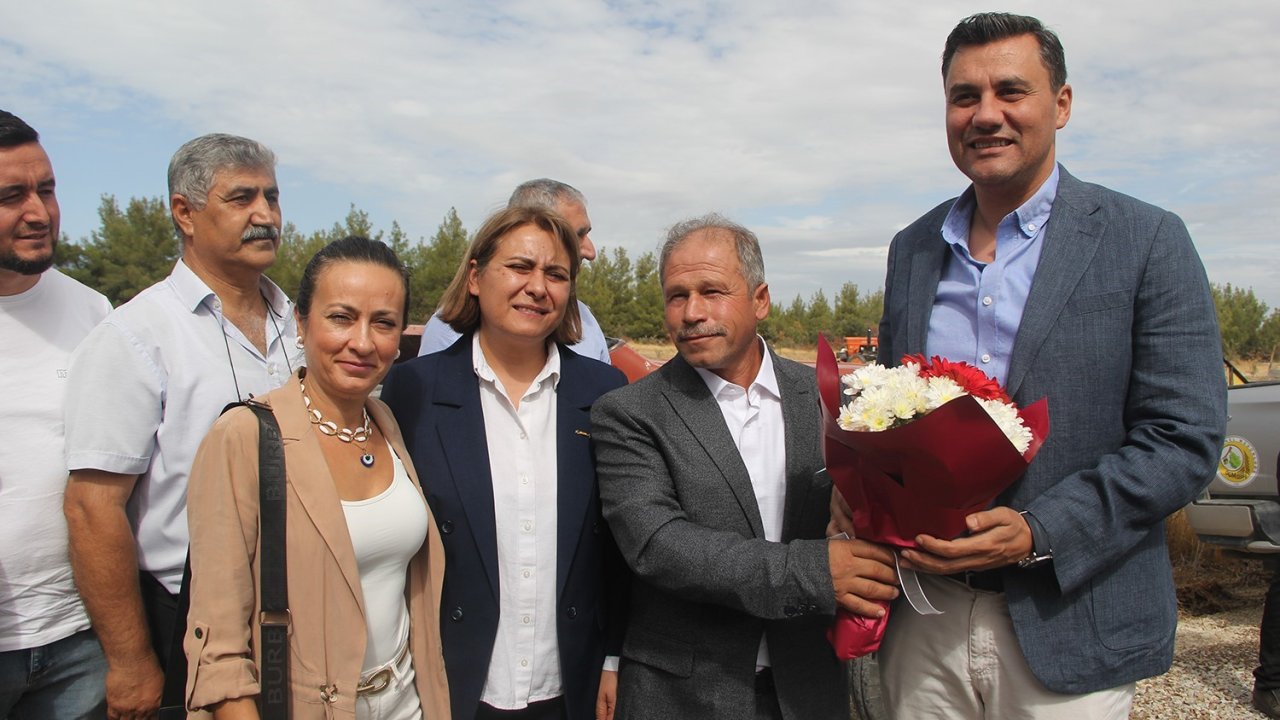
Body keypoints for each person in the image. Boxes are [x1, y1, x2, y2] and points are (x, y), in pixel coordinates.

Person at [833, 12, 1227, 719]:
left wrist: (1041, 532)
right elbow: (887, 416)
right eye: (963, 96)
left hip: (1068, 615)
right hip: (926, 620)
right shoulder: (913, 249)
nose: (985, 114)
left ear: (1062, 104)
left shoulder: (1146, 240)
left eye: (1010, 90)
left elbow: (1184, 437)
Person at [590, 214, 900, 720]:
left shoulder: (834, 401)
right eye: (676, 296)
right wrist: (818, 571)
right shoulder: (629, 413)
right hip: (684, 695)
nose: (691, 312)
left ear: (760, 300)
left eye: (712, 291)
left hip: (809, 688)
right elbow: (659, 545)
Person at [63, 133, 299, 719]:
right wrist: (132, 660)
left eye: (271, 196)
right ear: (184, 213)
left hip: (297, 610)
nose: (265, 214)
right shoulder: (136, 337)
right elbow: (93, 509)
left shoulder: (299, 323)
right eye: (241, 198)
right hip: (185, 619)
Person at [184, 236, 450, 719]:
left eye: (384, 323)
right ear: (302, 324)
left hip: (407, 702)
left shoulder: (388, 425)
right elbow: (219, 648)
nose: (363, 342)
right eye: (342, 317)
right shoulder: (244, 437)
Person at [382, 206, 627, 720]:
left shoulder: (603, 394)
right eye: (519, 267)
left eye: (556, 274)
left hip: (569, 684)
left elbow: (615, 545)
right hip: (453, 682)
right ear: (475, 276)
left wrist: (612, 656)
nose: (537, 287)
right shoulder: (415, 390)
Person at [0, 109, 111, 719]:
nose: (39, 212)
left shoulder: (95, 314)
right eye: (12, 196)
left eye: (46, 189)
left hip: (80, 641)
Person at [416, 179, 611, 364]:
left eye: (555, 275)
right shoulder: (447, 333)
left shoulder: (586, 322)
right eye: (520, 267)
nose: (590, 251)